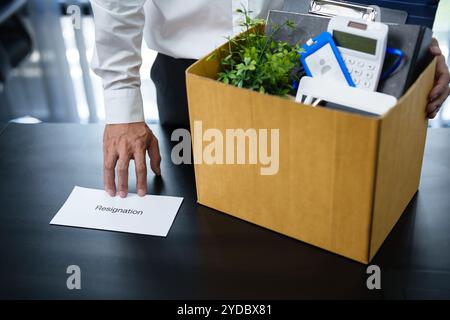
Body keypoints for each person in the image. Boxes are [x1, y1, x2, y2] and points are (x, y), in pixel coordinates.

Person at [90, 0, 450, 198]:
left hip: (304, 60)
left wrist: (413, 45)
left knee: (312, 205)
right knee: (199, 217)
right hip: (188, 78)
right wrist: (121, 103)